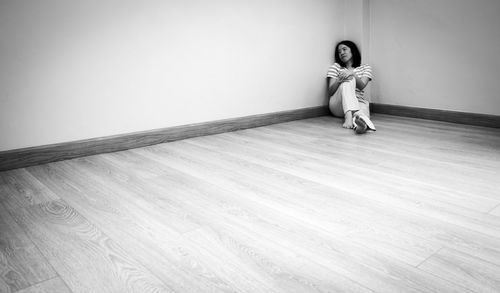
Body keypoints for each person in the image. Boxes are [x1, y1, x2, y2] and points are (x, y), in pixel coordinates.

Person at [327, 40, 376, 134]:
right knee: (347, 79)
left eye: (344, 49)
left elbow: (361, 86)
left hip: (358, 102)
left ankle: (361, 126)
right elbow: (330, 92)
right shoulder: (336, 67)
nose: (341, 53)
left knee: (362, 112)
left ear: (352, 51)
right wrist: (339, 80)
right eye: (339, 51)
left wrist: (352, 74)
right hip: (338, 105)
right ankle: (348, 118)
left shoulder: (365, 67)